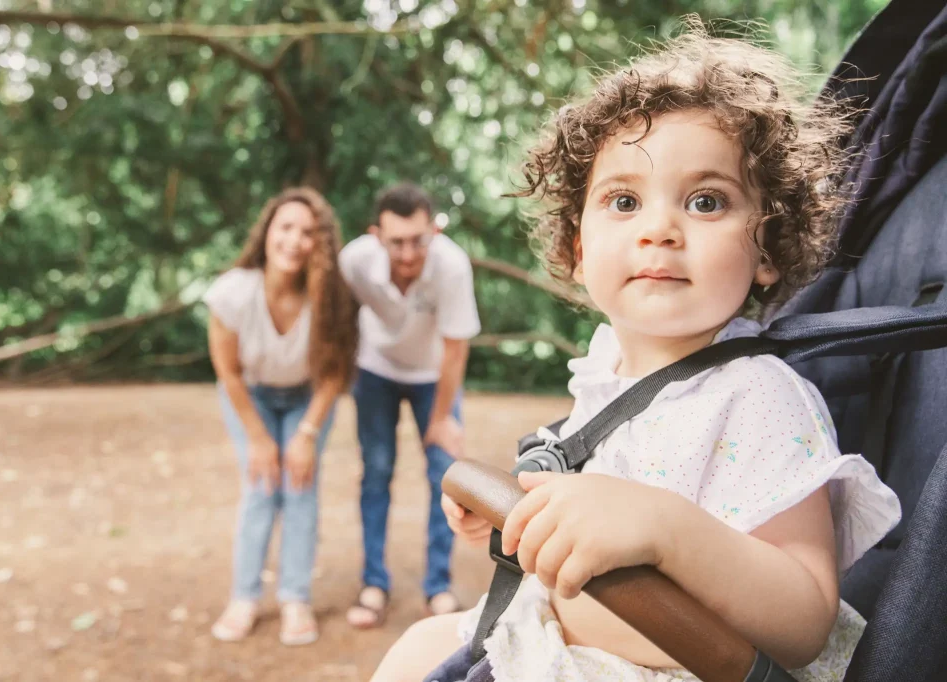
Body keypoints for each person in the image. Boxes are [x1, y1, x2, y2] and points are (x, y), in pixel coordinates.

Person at [370, 22, 902, 682]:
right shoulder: (607, 378)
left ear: (767, 248)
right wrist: (526, 524)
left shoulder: (759, 396)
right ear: (577, 248)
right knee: (416, 650)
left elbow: (804, 620)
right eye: (624, 201)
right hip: (562, 644)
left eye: (706, 201)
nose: (659, 229)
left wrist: (668, 529)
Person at [203, 187, 358, 646]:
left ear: (321, 243)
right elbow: (228, 373)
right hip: (249, 395)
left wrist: (307, 434)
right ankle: (244, 597)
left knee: (300, 487)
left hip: (307, 397)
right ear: (267, 232)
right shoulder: (232, 292)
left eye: (308, 232)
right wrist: (258, 437)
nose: (294, 240)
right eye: (285, 227)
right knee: (261, 485)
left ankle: (295, 597)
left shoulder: (330, 297)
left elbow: (334, 373)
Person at [337, 182, 481, 628]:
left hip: (433, 376)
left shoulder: (452, 266)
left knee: (445, 477)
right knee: (376, 472)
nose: (407, 253)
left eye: (417, 240)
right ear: (376, 235)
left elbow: (456, 348)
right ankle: (373, 584)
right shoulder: (353, 261)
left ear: (433, 232)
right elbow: (336, 321)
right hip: (375, 369)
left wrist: (441, 418)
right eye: (396, 241)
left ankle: (438, 587)